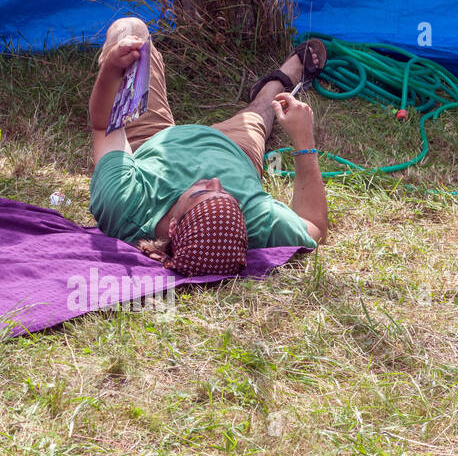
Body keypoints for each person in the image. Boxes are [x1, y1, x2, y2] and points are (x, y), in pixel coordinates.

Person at [87, 16, 328, 275]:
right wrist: (304, 140)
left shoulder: (124, 204)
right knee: (262, 112)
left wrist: (112, 69)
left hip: (149, 142)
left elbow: (103, 126)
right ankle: (280, 79)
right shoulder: (254, 218)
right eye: (228, 194)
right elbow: (315, 226)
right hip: (234, 148)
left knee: (128, 30)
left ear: (173, 226)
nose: (214, 180)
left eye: (202, 192)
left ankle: (121, 58)